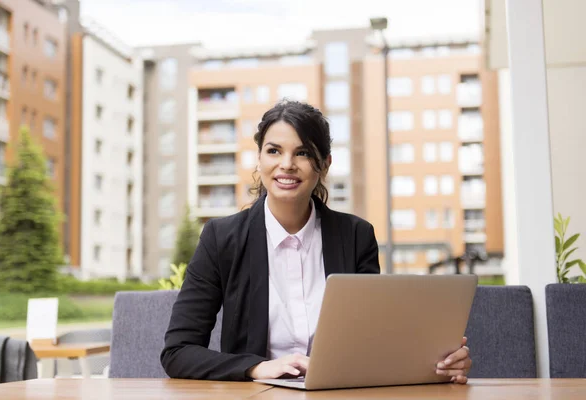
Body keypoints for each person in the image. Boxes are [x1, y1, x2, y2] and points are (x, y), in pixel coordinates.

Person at [161, 100, 472, 384]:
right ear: (258, 159)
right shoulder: (221, 239)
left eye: (303, 153)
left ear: (325, 164)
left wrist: (441, 363)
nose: (287, 164)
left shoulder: (355, 236)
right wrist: (256, 367)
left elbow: (372, 342)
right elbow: (178, 352)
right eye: (274, 151)